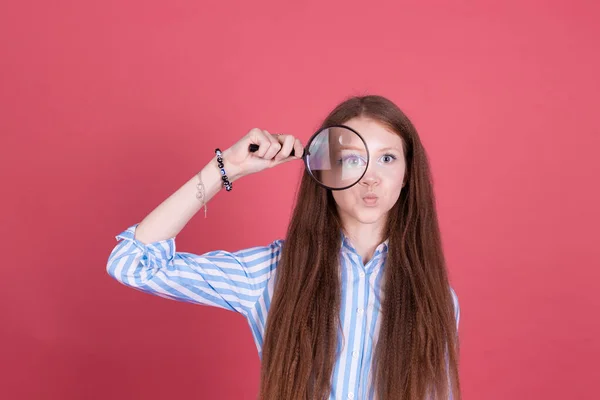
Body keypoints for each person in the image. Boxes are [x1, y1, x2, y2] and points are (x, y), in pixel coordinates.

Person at [106, 95, 461, 400]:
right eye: (352, 158)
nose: (370, 176)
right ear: (323, 171)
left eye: (387, 158)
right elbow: (133, 264)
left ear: (406, 174)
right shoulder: (273, 273)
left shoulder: (435, 297)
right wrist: (226, 167)